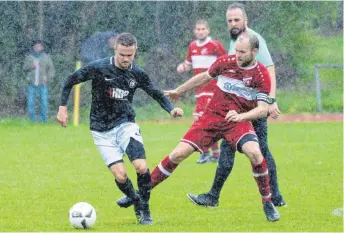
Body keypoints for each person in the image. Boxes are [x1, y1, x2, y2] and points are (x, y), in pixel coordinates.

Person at [119, 32, 280, 221]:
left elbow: (263, 110)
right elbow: (204, 77)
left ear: (254, 51)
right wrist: (179, 90)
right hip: (211, 118)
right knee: (177, 154)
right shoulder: (225, 61)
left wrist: (240, 117)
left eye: (242, 52)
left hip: (237, 122)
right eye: (236, 51)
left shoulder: (261, 75)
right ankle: (140, 193)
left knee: (255, 153)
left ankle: (267, 202)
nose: (237, 55)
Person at [56, 32, 183, 225]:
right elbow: (70, 80)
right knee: (121, 175)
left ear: (135, 52)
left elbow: (156, 93)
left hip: (126, 124)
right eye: (122, 54)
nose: (125, 59)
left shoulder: (138, 73)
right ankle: (135, 199)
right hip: (101, 129)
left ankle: (145, 211)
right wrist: (63, 107)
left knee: (141, 167)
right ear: (115, 49)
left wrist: (171, 110)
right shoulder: (99, 68)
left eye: (129, 55)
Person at [186, 2, 286, 208]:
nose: (233, 23)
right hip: (237, 110)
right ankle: (215, 196)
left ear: (245, 20)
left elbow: (270, 69)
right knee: (230, 150)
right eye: (229, 20)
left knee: (262, 151)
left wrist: (271, 100)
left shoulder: (254, 40)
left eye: (236, 20)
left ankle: (274, 197)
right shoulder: (236, 42)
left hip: (253, 109)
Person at [176, 19, 227, 164]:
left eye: (203, 29)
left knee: (200, 119)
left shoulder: (215, 45)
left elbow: (225, 62)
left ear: (208, 30)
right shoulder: (192, 46)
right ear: (194, 31)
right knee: (206, 121)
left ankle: (206, 153)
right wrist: (182, 67)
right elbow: (188, 64)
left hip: (213, 88)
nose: (200, 31)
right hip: (199, 90)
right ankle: (215, 154)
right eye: (198, 29)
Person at [23, 40, 55, 123]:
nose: (37, 47)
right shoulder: (29, 57)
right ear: (34, 47)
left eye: (39, 46)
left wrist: (47, 79)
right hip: (31, 84)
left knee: (43, 104)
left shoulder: (46, 57)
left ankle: (43, 121)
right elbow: (24, 68)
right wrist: (32, 66)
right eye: (36, 46)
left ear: (42, 47)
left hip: (43, 85)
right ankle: (32, 121)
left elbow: (51, 70)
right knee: (30, 104)